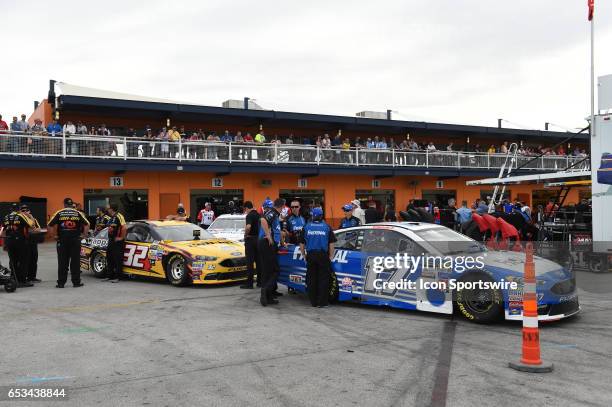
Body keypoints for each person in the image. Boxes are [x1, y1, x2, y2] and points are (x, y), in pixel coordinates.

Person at [48, 197, 90, 288]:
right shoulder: (78, 213)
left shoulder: (59, 213)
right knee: (75, 262)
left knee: (62, 262)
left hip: (62, 241)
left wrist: (53, 236)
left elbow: (50, 225)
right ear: (72, 204)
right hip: (75, 240)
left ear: (64, 204)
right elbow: (87, 224)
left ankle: (61, 283)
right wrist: (83, 235)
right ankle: (76, 282)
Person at [300, 207, 337, 308]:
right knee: (323, 279)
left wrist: (303, 254)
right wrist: (331, 256)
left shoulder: (306, 227)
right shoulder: (327, 227)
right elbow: (331, 243)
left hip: (310, 255)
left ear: (313, 215)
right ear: (321, 216)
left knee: (311, 279)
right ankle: (322, 303)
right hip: (322, 255)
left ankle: (313, 302)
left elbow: (302, 243)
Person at [257, 198, 283, 306]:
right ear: (281, 206)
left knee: (267, 271)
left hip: (266, 244)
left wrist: (281, 241)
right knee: (275, 270)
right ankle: (265, 289)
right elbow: (262, 220)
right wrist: (268, 235)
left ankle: (268, 297)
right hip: (267, 244)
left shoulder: (274, 214)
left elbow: (277, 230)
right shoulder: (272, 212)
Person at [1, 203, 33, 287]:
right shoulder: (21, 216)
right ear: (18, 209)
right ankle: (22, 281)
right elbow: (31, 224)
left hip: (9, 241)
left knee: (13, 261)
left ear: (11, 209)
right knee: (23, 261)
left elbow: (2, 230)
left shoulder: (6, 217)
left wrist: (4, 243)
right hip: (20, 241)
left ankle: (14, 279)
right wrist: (29, 216)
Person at [103, 203, 126, 283]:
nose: (107, 209)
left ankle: (118, 277)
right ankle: (110, 276)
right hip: (111, 240)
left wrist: (121, 237)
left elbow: (124, 227)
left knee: (118, 259)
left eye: (108, 208)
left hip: (118, 242)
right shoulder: (111, 217)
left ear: (111, 209)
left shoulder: (119, 216)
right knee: (109, 258)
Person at [241, 201, 261, 289]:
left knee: (250, 262)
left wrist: (245, 235)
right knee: (259, 261)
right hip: (259, 239)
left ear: (246, 208)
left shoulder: (249, 215)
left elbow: (248, 227)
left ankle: (249, 283)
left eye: (245, 210)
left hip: (251, 239)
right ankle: (260, 282)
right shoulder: (259, 215)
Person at [21, 205, 43, 283]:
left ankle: (32, 277)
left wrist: (31, 230)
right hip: (24, 243)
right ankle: (25, 277)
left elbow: (39, 229)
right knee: (25, 260)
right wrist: (32, 231)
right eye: (23, 211)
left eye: (26, 210)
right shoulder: (20, 220)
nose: (25, 212)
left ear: (29, 211)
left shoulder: (34, 219)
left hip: (33, 242)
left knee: (34, 259)